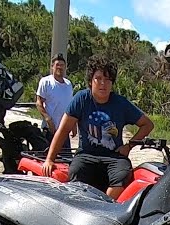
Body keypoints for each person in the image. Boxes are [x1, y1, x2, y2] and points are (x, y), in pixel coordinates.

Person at [41, 56, 154, 199]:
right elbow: (63, 131)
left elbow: (147, 125)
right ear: (90, 81)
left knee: (122, 175)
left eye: (107, 79)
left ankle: (105, 206)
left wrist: (129, 146)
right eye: (98, 78)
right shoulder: (81, 99)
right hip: (86, 154)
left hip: (114, 156)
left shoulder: (121, 103)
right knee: (76, 172)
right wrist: (49, 159)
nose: (103, 83)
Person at [35, 55, 74, 145]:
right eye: (57, 65)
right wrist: (48, 119)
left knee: (66, 154)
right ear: (52, 66)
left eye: (62, 65)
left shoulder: (68, 84)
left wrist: (73, 125)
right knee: (48, 153)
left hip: (64, 130)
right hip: (50, 130)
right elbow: (38, 103)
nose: (60, 67)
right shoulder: (46, 82)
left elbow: (70, 106)